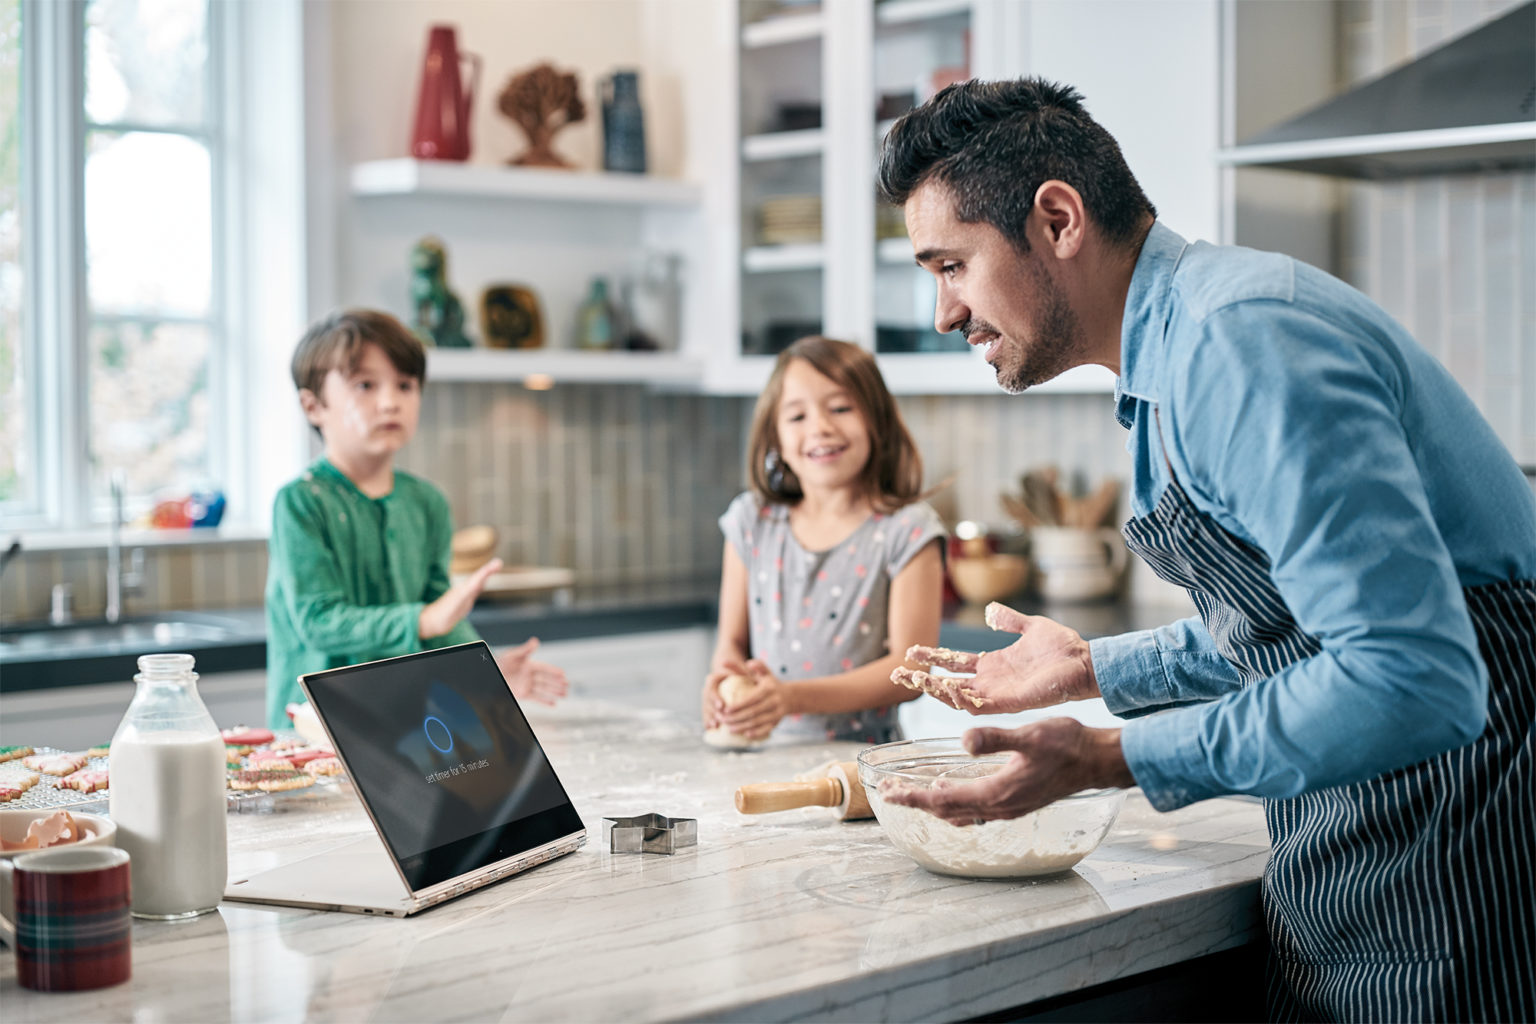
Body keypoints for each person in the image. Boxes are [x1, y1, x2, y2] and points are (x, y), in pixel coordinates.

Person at [874, 77, 1535, 1020]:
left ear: (1057, 219)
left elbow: (1411, 675)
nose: (943, 313)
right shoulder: (1182, 346)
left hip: (1462, 866)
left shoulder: (1237, 346)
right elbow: (1299, 627)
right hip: (1376, 854)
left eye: (951, 266)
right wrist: (1093, 668)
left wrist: (1113, 758)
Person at [265, 309, 568, 729]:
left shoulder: (426, 502)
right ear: (313, 405)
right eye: (365, 385)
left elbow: (442, 618)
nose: (391, 401)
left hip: (400, 723)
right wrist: (423, 620)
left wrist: (487, 674)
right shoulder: (299, 502)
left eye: (405, 385)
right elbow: (319, 623)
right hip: (314, 731)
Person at [702, 337, 947, 744]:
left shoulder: (909, 531)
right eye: (796, 416)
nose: (820, 427)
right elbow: (732, 641)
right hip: (762, 756)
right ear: (775, 438)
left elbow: (911, 672)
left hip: (863, 770)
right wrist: (724, 681)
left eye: (840, 408)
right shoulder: (752, 522)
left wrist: (791, 698)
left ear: (877, 421)